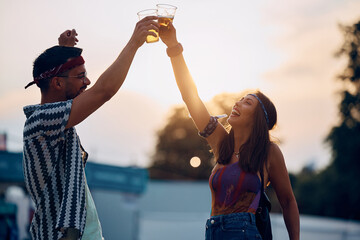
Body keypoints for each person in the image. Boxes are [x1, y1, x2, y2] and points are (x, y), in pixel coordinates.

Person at [159, 23, 300, 240]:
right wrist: (173, 47)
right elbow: (190, 97)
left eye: (247, 102)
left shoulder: (269, 152)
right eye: (240, 99)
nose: (238, 103)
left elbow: (288, 202)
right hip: (213, 231)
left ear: (259, 118)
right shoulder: (221, 143)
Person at [22, 17, 159, 240]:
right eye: (81, 76)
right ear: (57, 83)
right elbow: (104, 91)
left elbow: (65, 87)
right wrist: (135, 42)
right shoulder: (42, 121)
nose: (87, 82)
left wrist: (63, 51)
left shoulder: (55, 120)